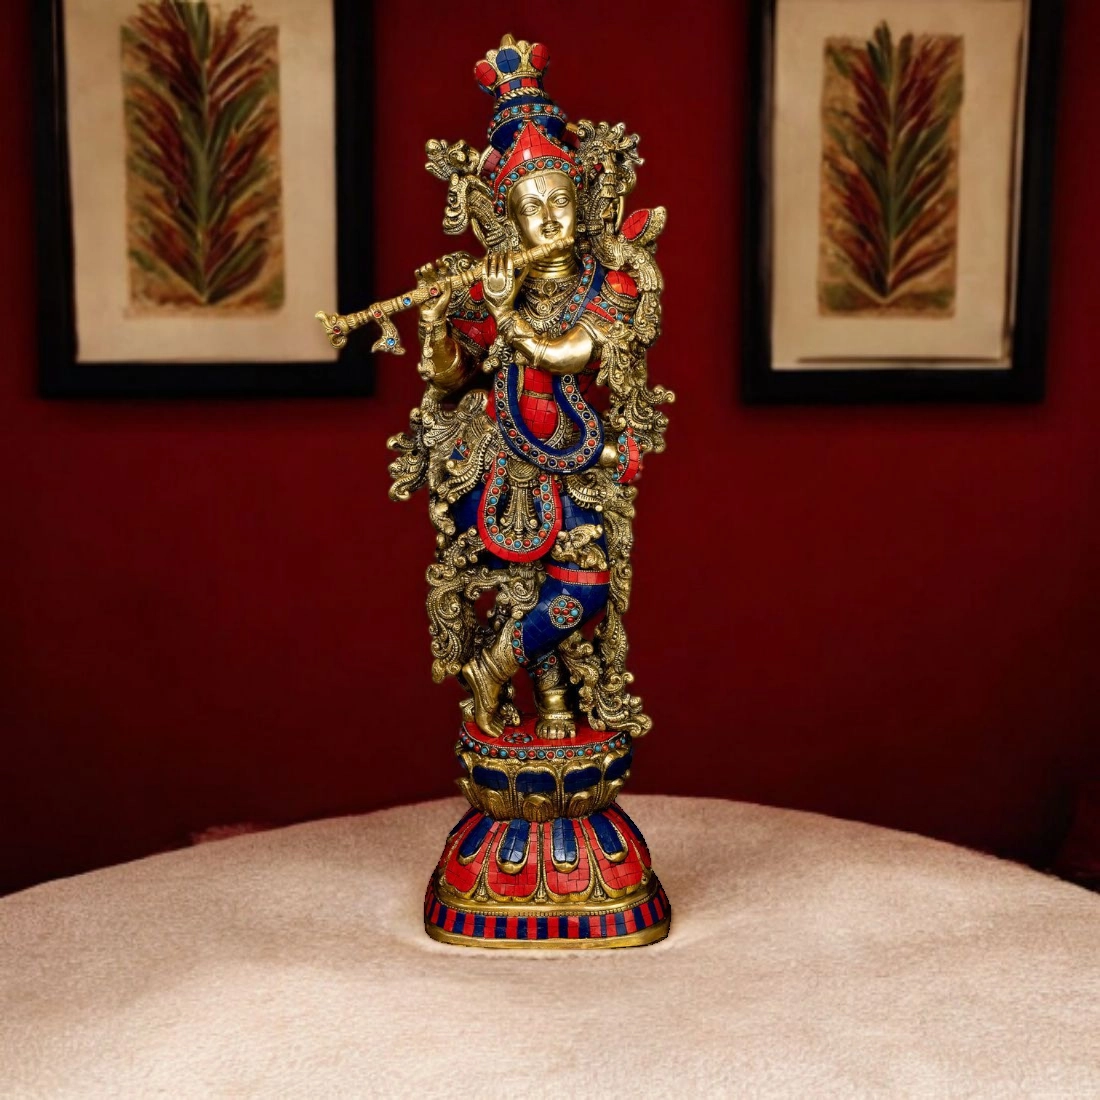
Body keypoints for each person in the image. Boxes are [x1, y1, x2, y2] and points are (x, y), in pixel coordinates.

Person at [388, 35, 671, 743]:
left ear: (582, 205)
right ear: (508, 221)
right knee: (522, 586)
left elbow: (575, 352)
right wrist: (436, 325)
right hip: (496, 460)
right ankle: (547, 702)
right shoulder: (493, 285)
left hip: (574, 455)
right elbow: (454, 375)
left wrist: (509, 315)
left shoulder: (608, 285)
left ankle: (493, 667)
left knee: (584, 586)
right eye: (531, 206)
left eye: (560, 202)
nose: (548, 220)